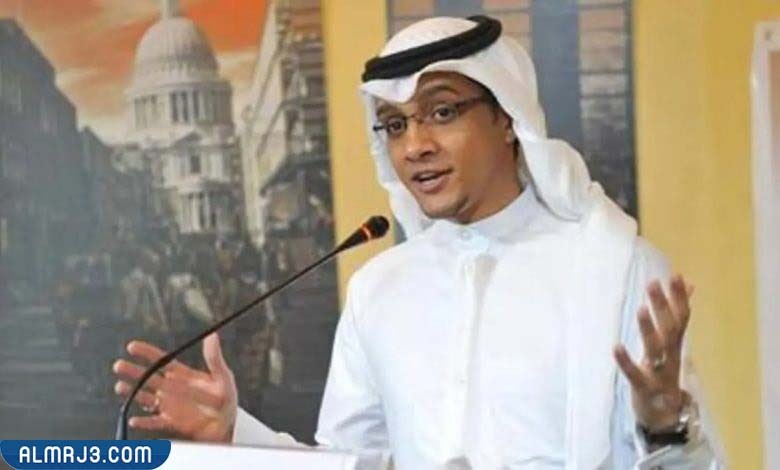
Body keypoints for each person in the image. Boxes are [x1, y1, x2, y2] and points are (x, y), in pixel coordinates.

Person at [113, 16, 724, 469]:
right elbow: (352, 464)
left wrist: (665, 429)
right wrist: (235, 433)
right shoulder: (380, 289)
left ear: (507, 117)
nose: (415, 146)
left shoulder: (616, 268)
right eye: (396, 124)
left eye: (442, 112)